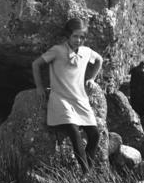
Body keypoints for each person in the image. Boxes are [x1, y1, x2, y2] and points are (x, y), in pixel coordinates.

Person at [32, 17, 104, 172]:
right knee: (74, 131)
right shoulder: (57, 50)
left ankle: (88, 168)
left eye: (82, 37)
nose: (79, 40)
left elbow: (99, 60)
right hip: (61, 99)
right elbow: (36, 64)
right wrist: (39, 87)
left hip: (80, 99)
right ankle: (86, 172)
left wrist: (91, 78)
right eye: (75, 36)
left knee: (95, 135)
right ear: (68, 36)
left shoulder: (86, 52)